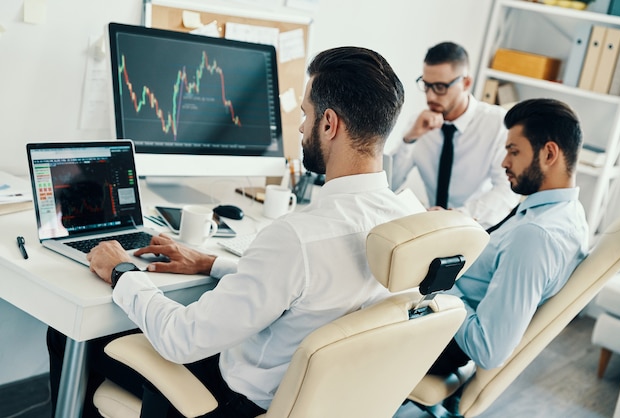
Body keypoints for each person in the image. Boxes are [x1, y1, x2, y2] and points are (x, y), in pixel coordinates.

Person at [47, 46, 416, 418]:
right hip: (322, 402)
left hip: (235, 402)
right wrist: (210, 263)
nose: (302, 127)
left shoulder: (298, 238)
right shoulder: (410, 224)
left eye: (305, 113)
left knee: (71, 335)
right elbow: (310, 292)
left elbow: (182, 339)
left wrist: (121, 271)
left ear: (329, 124)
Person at [428, 98, 589, 378]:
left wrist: (439, 286)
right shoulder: (566, 213)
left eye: (513, 151)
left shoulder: (535, 237)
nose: (504, 162)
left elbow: (489, 349)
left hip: (435, 339)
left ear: (549, 154)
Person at [390, 41, 518, 228]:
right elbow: (388, 185)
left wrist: (456, 217)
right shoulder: (418, 123)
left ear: (466, 83)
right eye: (426, 85)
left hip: (478, 229)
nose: (430, 97)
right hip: (431, 228)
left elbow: (507, 190)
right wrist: (409, 140)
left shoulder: (497, 123)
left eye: (441, 87)